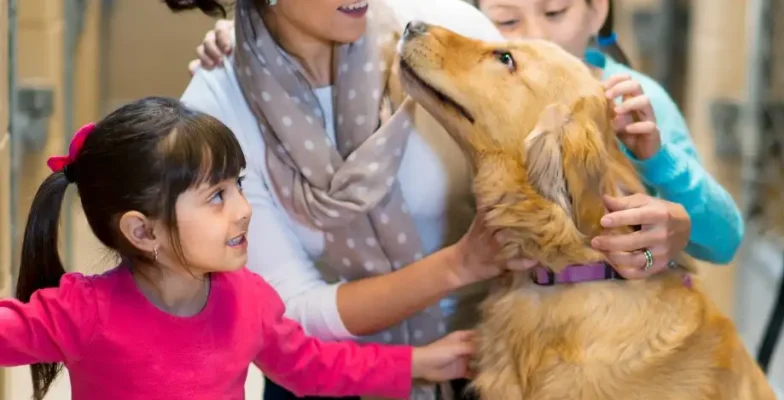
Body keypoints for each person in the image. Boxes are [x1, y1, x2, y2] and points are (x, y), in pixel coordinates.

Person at [174, 0, 742, 398]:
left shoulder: (432, 23)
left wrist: (660, 239)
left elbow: (574, 194)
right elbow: (289, 313)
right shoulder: (220, 98)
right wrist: (460, 264)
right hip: (334, 379)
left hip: (485, 359)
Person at [0, 97, 475, 400]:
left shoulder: (249, 300)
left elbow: (315, 367)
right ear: (143, 233)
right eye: (216, 197)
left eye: (238, 186)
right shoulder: (84, 311)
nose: (245, 209)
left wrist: (419, 363)